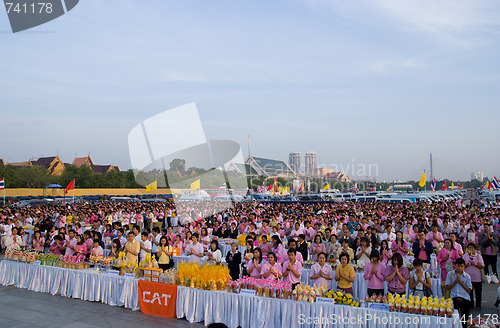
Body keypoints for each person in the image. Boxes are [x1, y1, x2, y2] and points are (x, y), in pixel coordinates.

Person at [446, 258, 472, 328]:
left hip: (464, 299)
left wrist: (460, 282)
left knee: (464, 320)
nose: (459, 268)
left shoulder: (467, 276)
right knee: (453, 319)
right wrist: (455, 281)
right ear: (455, 266)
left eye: (461, 266)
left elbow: (469, 290)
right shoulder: (450, 274)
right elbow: (448, 287)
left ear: (464, 267)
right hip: (454, 299)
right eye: (458, 266)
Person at [464, 243, 484, 311]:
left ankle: (478, 305)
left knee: (478, 292)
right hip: (468, 277)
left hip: (477, 278)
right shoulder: (465, 256)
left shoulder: (478, 256)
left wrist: (475, 264)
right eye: (469, 248)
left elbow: (482, 266)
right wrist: (468, 264)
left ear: (475, 249)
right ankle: (470, 304)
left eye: (472, 248)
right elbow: (462, 266)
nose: (470, 249)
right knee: (469, 292)